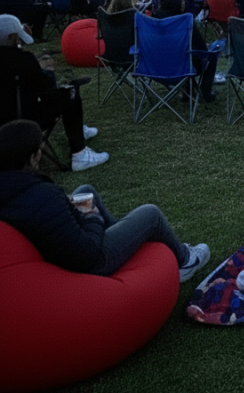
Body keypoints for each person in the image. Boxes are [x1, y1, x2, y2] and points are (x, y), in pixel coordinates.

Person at [0, 119, 210, 281]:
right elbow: (88, 253)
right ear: (32, 157)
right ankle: (185, 260)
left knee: (86, 191)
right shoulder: (42, 196)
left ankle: (127, 241)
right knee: (150, 213)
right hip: (92, 262)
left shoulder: (12, 188)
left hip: (58, 249)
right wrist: (92, 217)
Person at [0, 16, 108, 171]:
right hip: (23, 119)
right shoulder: (22, 59)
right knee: (70, 92)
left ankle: (78, 128)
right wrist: (46, 70)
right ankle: (80, 154)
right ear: (13, 37)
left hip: (4, 118)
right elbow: (46, 85)